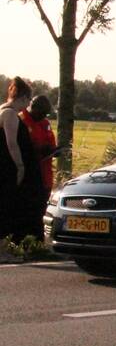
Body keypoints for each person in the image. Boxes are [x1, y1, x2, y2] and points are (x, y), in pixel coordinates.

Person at [1, 77, 43, 242]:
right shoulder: (10, 114)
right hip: (10, 167)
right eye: (29, 100)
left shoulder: (3, 110)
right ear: (24, 98)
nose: (28, 105)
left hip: (6, 166)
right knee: (14, 204)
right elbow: (12, 143)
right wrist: (20, 166)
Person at [19, 95, 62, 241]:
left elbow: (50, 142)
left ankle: (38, 241)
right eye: (41, 113)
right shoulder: (22, 120)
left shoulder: (44, 123)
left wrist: (54, 150)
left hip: (44, 175)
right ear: (34, 108)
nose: (43, 116)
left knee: (41, 209)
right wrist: (38, 150)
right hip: (28, 175)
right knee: (27, 209)